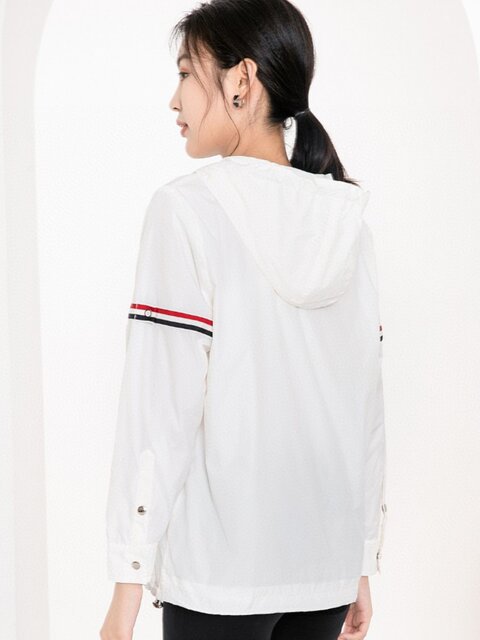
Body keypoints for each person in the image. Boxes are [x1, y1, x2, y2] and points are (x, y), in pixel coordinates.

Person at [100, 1, 387, 639]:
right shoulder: (348, 222)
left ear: (241, 80)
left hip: (220, 577)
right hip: (323, 573)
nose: (174, 100)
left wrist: (127, 582)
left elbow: (159, 408)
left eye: (185, 73)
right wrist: (359, 557)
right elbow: (364, 406)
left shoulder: (187, 211)